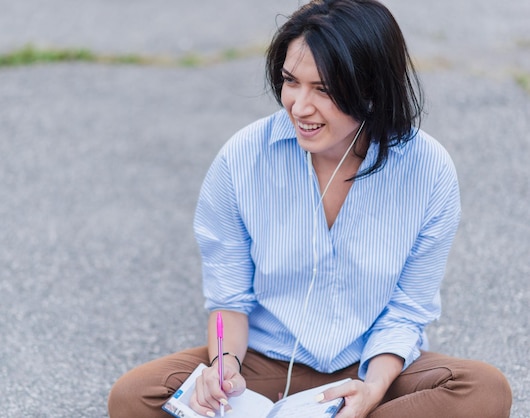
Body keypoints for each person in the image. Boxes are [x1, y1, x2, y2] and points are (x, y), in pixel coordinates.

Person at [108, 0, 512, 416]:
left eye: (323, 89)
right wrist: (222, 367)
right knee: (134, 396)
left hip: (371, 365)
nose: (299, 106)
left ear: (371, 87)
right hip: (263, 363)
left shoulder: (428, 170)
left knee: (484, 389)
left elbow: (408, 311)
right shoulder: (242, 159)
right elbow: (228, 299)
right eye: (290, 81)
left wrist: (371, 390)